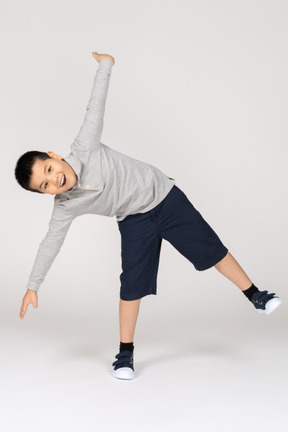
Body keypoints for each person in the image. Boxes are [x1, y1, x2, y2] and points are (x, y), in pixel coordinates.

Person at [15, 51, 282, 380]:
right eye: (45, 185)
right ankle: (125, 353)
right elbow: (49, 243)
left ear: (55, 156)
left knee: (211, 248)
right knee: (131, 286)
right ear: (46, 194)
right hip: (133, 220)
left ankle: (254, 294)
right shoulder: (65, 206)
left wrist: (105, 64)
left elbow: (95, 105)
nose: (54, 179)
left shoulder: (85, 146)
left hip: (165, 198)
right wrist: (33, 285)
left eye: (50, 169)